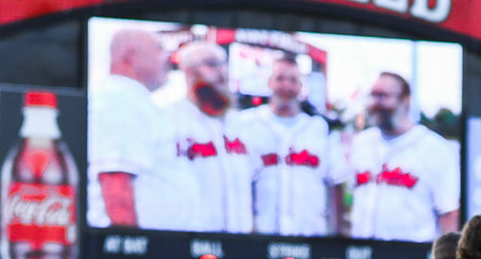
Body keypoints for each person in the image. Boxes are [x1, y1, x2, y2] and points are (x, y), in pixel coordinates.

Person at [342, 71, 460, 241]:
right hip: (362, 257)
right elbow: (349, 204)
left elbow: (448, 212)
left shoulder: (435, 147)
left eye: (383, 96)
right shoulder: (361, 142)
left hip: (413, 256)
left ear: (405, 101)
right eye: (373, 95)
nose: (375, 103)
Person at [90, 28, 189, 230]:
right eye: (159, 50)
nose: (169, 58)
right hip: (141, 249)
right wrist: (131, 247)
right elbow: (115, 179)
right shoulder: (120, 99)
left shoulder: (133, 99)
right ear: (128, 56)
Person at [236, 56, 341, 236]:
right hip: (261, 233)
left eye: (293, 80)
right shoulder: (247, 124)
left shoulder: (319, 128)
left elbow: (336, 181)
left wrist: (338, 233)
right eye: (280, 79)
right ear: (269, 83)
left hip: (311, 233)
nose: (286, 86)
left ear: (301, 86)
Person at [171, 41, 255, 233]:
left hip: (240, 240)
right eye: (211, 64)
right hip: (189, 239)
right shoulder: (170, 119)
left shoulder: (240, 123)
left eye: (223, 64)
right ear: (188, 71)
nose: (222, 72)